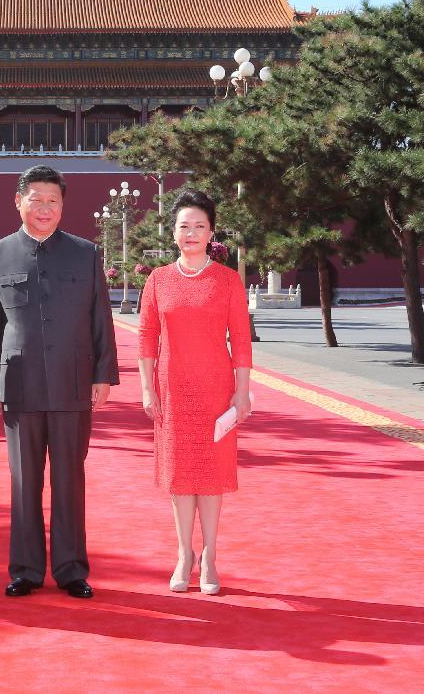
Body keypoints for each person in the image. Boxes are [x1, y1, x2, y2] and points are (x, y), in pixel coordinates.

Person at [0, 165, 119, 599]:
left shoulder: (85, 253)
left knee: (69, 479)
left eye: (52, 201)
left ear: (63, 206)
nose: (44, 208)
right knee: (24, 482)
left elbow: (100, 318)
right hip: (18, 384)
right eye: (35, 199)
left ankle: (71, 568)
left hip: (73, 382)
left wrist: (103, 374)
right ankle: (25, 569)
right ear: (17, 202)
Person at [137, 189, 252, 596]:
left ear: (211, 233)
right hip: (172, 389)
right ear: (173, 233)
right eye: (184, 226)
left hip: (217, 390)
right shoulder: (158, 280)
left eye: (199, 226)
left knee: (212, 476)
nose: (191, 233)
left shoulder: (227, 281)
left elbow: (240, 338)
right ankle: (185, 554)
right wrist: (147, 389)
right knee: (180, 476)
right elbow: (147, 337)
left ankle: (211, 556)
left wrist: (243, 392)